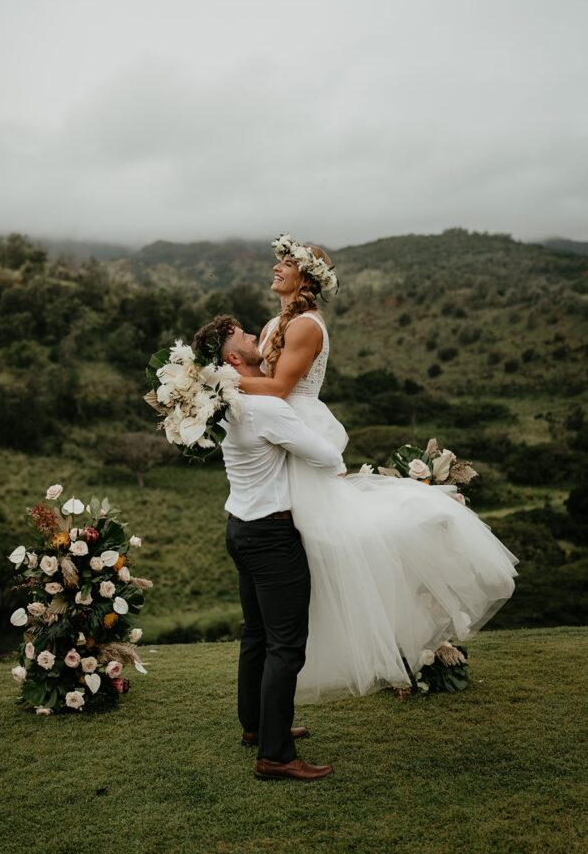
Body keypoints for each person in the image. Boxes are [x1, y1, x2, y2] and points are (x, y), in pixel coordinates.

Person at [238, 234, 519, 702]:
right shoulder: (270, 325)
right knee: (293, 539)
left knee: (328, 539)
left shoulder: (307, 325)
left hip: (297, 425)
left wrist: (217, 384)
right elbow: (264, 384)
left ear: (305, 276)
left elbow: (282, 385)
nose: (275, 269)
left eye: (285, 263)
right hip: (275, 426)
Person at [193, 315, 345, 781]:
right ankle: (276, 755)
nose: (257, 336)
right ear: (233, 359)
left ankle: (256, 727)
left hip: (240, 529)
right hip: (273, 537)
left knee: (256, 634)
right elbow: (329, 456)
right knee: (286, 646)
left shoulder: (229, 404)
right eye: (244, 336)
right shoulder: (267, 409)